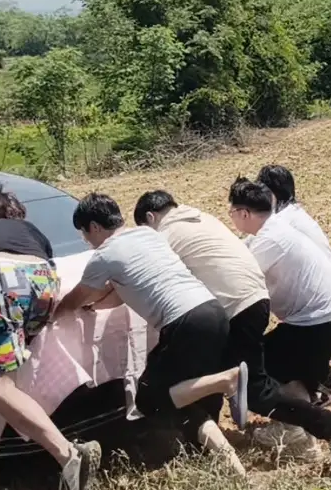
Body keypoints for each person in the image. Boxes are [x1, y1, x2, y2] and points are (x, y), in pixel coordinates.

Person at [134, 190, 331, 450]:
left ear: (150, 217)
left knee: (254, 390)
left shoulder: (165, 236)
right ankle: (209, 436)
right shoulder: (200, 218)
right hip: (256, 301)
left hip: (240, 308)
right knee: (238, 372)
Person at [57, 193, 251, 475]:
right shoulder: (148, 236)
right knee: (181, 397)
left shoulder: (105, 255)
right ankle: (232, 466)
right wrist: (94, 306)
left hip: (185, 322)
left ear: (94, 227)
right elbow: (126, 292)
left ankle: (228, 379)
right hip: (212, 312)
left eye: (85, 235)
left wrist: (54, 313)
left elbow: (75, 298)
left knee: (148, 399)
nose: (87, 242)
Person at [0, 183, 102, 490]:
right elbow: (43, 268)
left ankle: (69, 455)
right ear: (13, 212)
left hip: (2, 284)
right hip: (45, 286)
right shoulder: (32, 232)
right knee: (2, 381)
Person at [229, 177, 331, 412]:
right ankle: (325, 382)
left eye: (232, 211)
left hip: (318, 324)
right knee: (281, 360)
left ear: (244, 213)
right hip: (327, 317)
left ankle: (295, 429)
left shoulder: (269, 241)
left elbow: (239, 279)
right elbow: (240, 251)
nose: (230, 216)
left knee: (262, 369)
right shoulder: (272, 228)